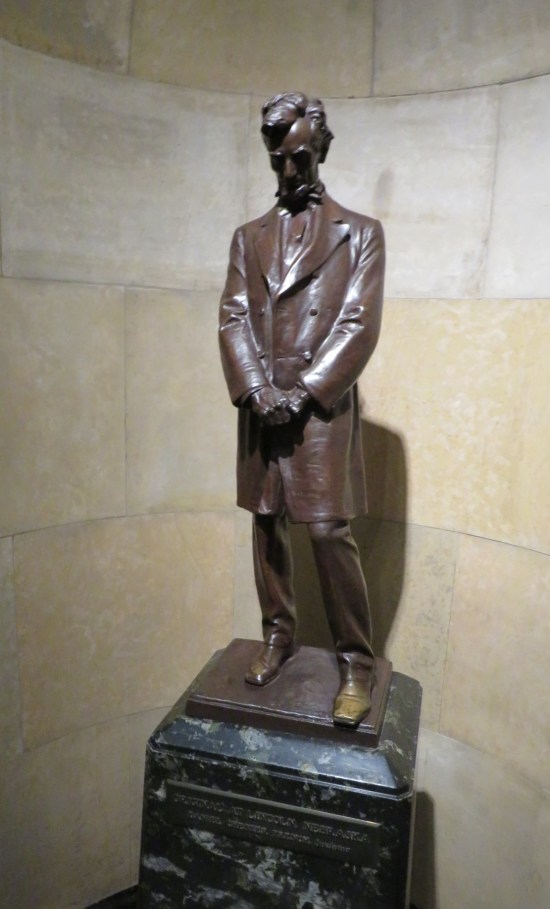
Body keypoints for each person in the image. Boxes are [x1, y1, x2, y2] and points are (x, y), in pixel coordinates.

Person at [219, 92, 385, 727]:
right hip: (262, 403)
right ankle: (277, 635)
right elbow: (233, 317)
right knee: (266, 524)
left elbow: (358, 324)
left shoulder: (361, 233)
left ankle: (356, 664)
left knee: (325, 530)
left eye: (297, 160)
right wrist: (258, 390)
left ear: (320, 150)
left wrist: (305, 391)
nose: (287, 174)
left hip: (319, 407)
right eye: (276, 161)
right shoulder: (248, 237)